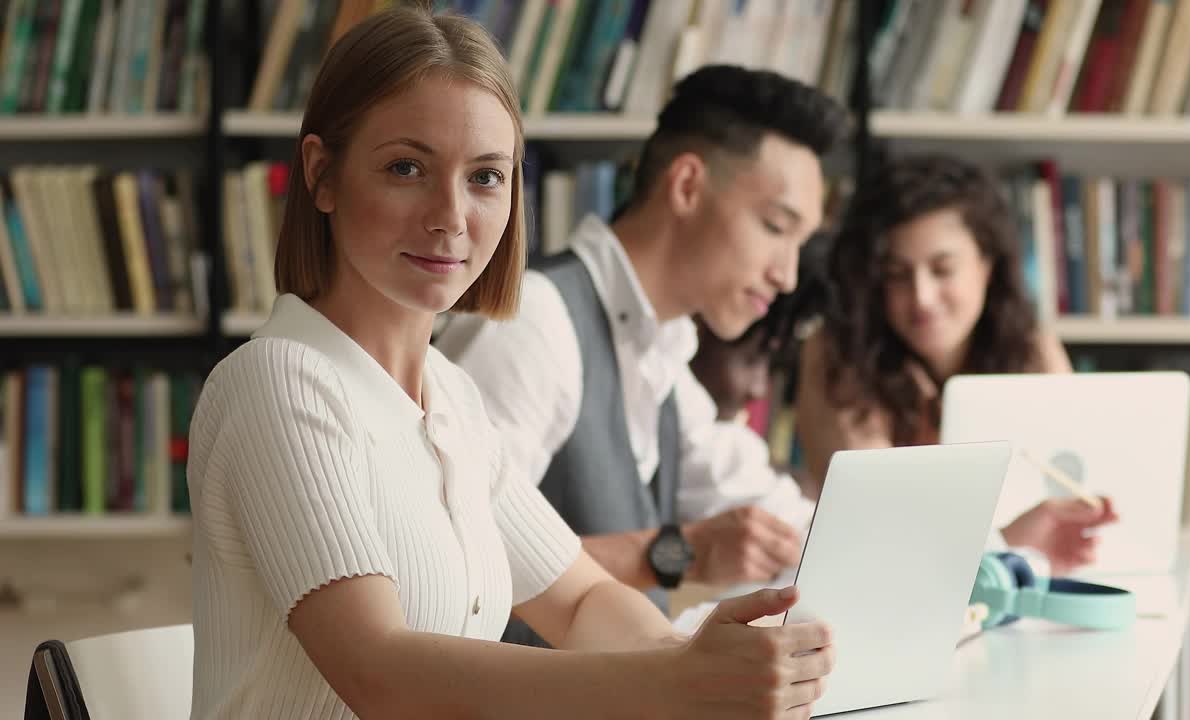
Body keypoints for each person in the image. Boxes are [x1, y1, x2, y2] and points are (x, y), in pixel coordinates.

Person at [186, 8, 833, 719]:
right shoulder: (279, 382)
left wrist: (698, 657)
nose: (451, 216)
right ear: (322, 174)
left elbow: (582, 599)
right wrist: (678, 684)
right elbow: (380, 673)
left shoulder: (452, 401)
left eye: (486, 177)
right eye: (407, 167)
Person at [435, 66, 847, 647]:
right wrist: (675, 554)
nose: (787, 275)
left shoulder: (664, 357)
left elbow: (772, 508)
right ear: (686, 186)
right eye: (775, 226)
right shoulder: (533, 326)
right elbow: (452, 570)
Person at [793, 154, 1116, 572]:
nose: (922, 298)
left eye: (943, 270)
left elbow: (1072, 480)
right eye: (896, 274)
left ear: (987, 265)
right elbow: (875, 524)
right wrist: (1005, 540)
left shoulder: (1032, 348)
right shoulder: (835, 354)